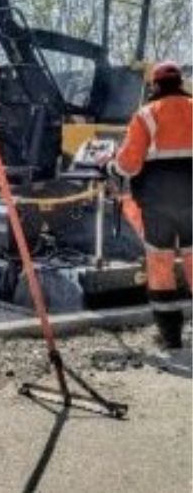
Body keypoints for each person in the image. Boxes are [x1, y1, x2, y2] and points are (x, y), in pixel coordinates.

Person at [103, 61, 192, 348]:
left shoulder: (146, 115)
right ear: (180, 82)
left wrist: (111, 169)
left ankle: (170, 336)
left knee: (161, 266)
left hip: (158, 206)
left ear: (154, 85)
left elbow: (128, 164)